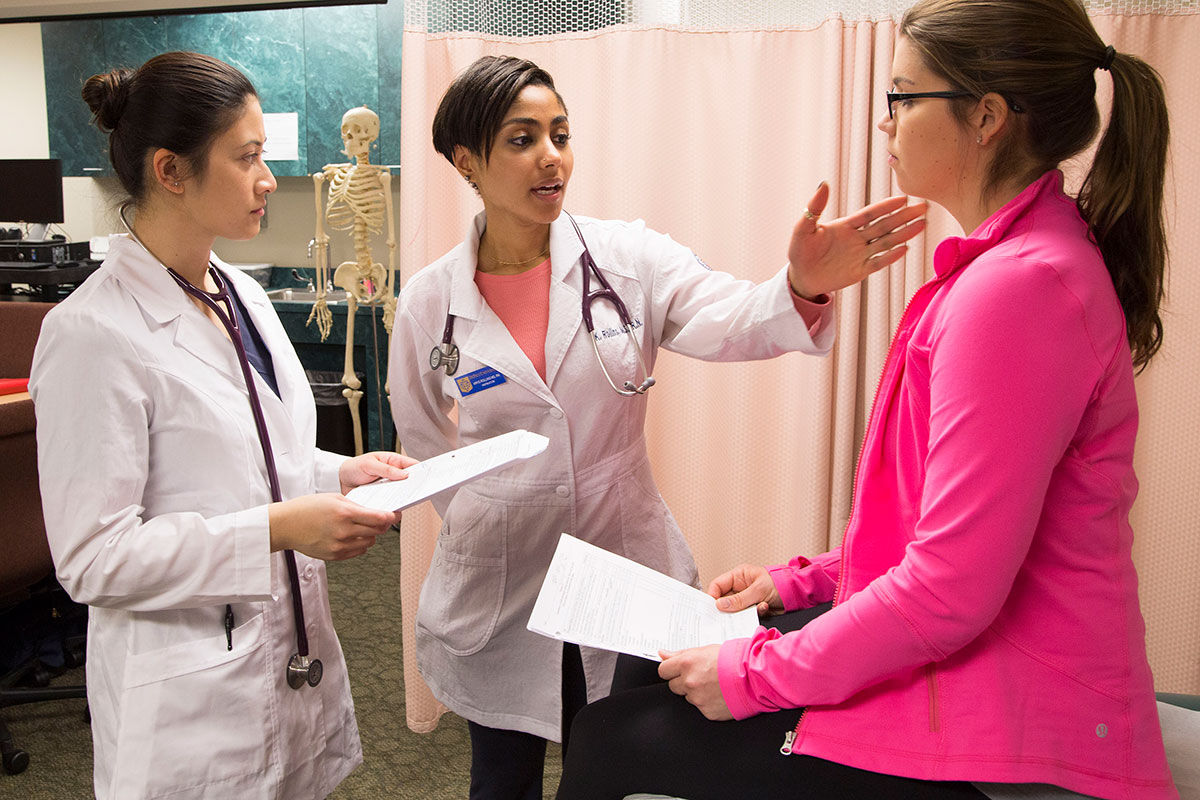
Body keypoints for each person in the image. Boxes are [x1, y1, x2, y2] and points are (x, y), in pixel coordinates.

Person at [557, 0, 1179, 798]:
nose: (886, 122)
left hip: (1006, 702)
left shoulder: (1019, 290)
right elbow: (960, 534)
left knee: (613, 738)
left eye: (903, 97)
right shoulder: (1018, 264)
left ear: (985, 116)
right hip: (981, 651)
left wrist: (753, 674)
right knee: (653, 664)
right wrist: (801, 582)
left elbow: (951, 587)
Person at [388, 55, 925, 800]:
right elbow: (420, 433)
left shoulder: (628, 259)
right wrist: (489, 511)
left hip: (621, 565)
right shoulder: (428, 301)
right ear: (467, 162)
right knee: (500, 776)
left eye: (560, 134)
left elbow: (728, 317)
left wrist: (801, 285)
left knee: (615, 765)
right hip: (498, 574)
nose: (551, 157)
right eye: (521, 140)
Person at [30, 52, 415, 799]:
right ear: (171, 171)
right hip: (187, 707)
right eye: (247, 158)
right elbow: (93, 558)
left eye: (262, 155)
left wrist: (339, 473)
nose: (267, 178)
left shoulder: (237, 292)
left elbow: (253, 458)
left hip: (286, 660)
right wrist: (277, 527)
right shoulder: (92, 334)